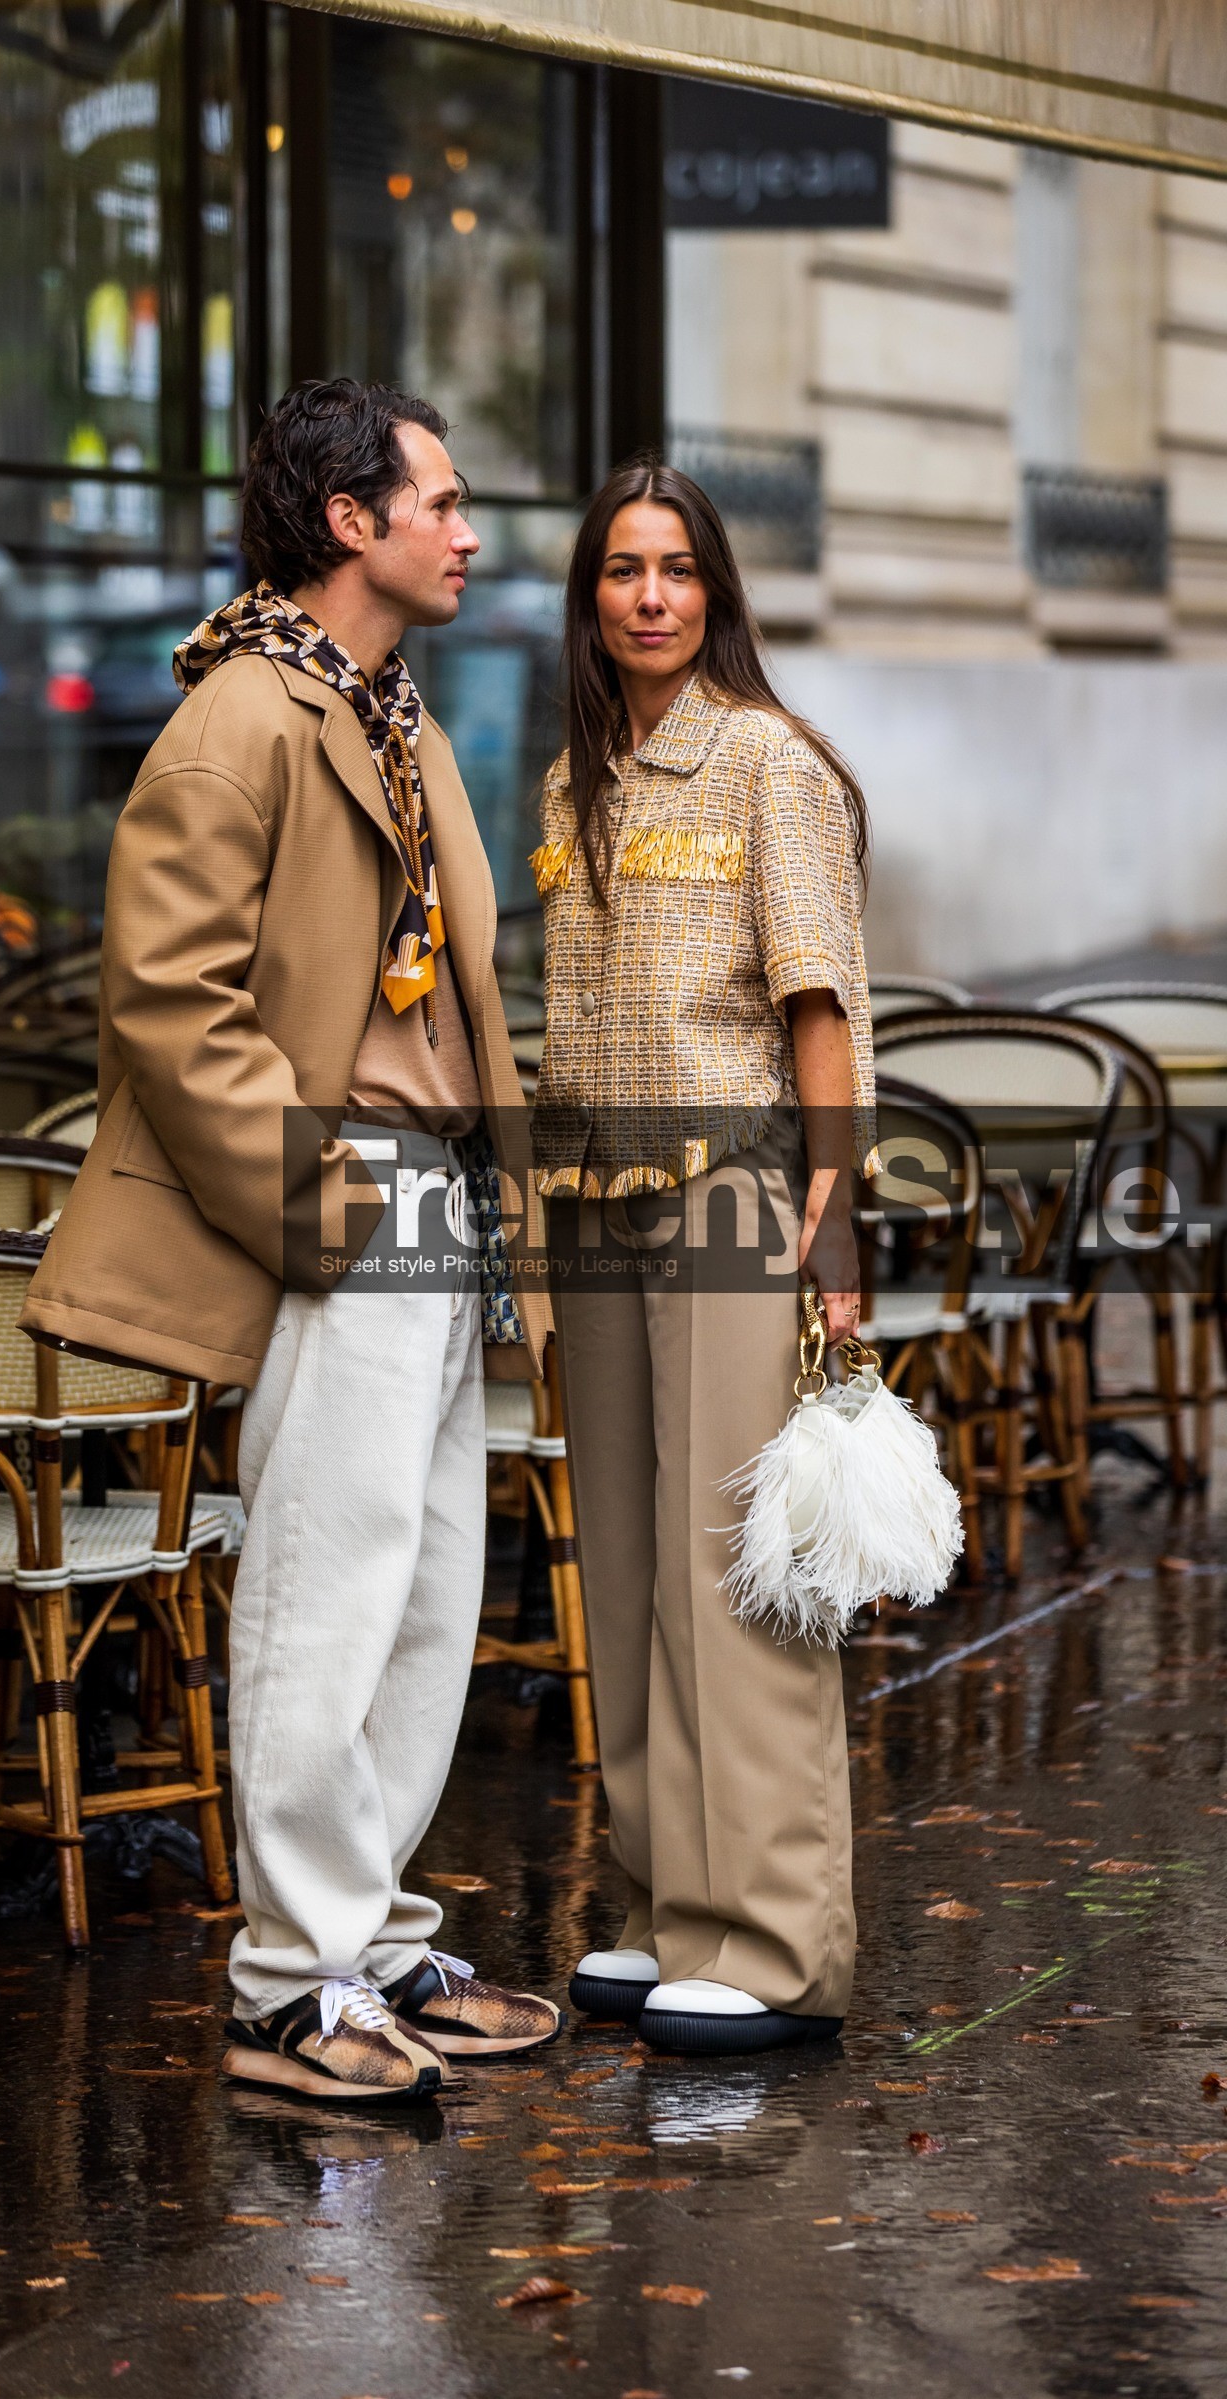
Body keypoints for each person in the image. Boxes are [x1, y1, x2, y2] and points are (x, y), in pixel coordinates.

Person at [24, 379, 558, 2103]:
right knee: (327, 1597)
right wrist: (328, 1198)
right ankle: (287, 1984)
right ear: (352, 519)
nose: (469, 533)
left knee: (425, 1591)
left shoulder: (387, 707)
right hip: (347, 1191)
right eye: (443, 501)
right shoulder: (240, 720)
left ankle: (374, 1941)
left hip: (434, 1187)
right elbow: (167, 1007)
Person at [533, 459, 874, 2057]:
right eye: (621, 569)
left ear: (716, 592)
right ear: (590, 596)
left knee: (738, 1568)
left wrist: (837, 1224)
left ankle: (774, 1936)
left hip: (738, 1194)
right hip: (597, 1207)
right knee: (628, 1560)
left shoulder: (769, 763)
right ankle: (667, 1903)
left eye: (676, 568)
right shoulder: (571, 780)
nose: (649, 594)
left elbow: (821, 1007)